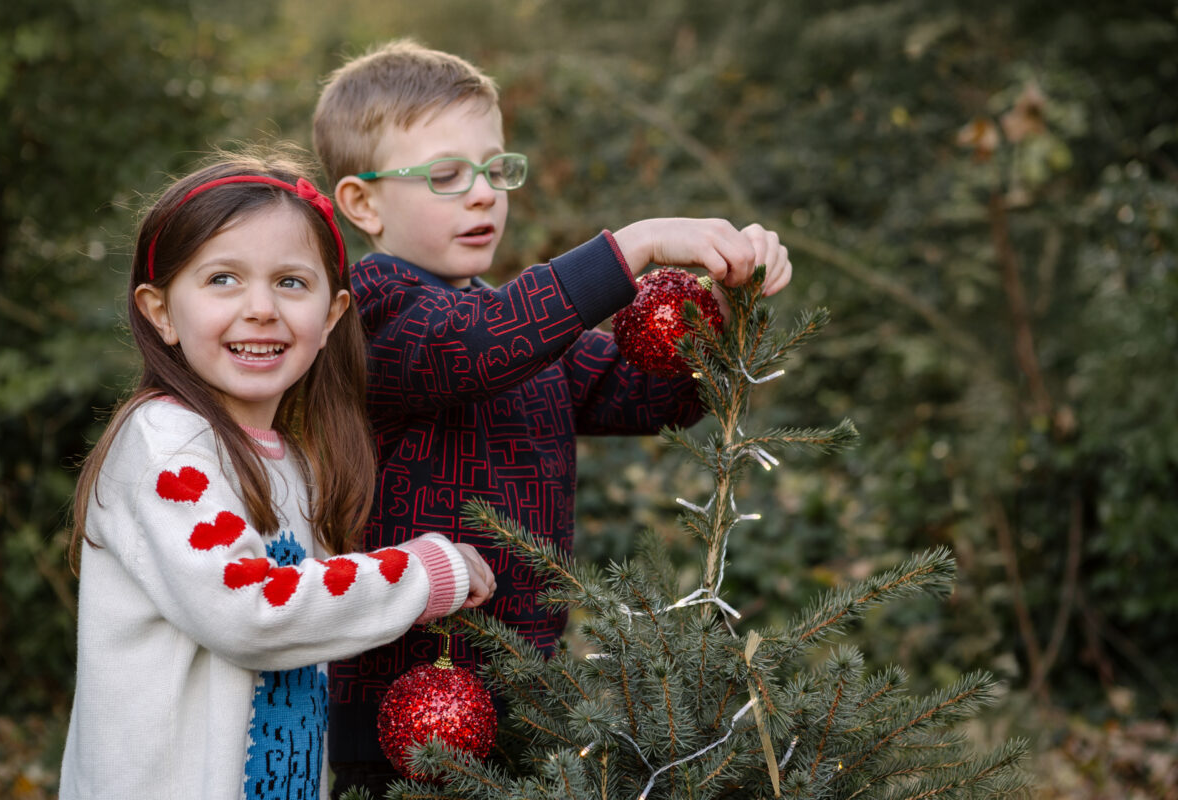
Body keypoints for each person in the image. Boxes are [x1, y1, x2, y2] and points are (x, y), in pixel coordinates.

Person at [312, 39, 792, 796]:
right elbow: (477, 348)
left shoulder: (514, 328)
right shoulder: (368, 313)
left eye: (497, 168)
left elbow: (649, 399)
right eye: (446, 175)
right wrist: (633, 247)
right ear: (363, 202)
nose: (483, 194)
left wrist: (730, 309)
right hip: (401, 721)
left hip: (531, 705)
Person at [58, 148, 496, 800]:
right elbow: (251, 607)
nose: (261, 307)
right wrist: (424, 573)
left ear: (332, 315)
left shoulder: (295, 453)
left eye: (291, 282)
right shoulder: (166, 445)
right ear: (159, 311)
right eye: (223, 279)